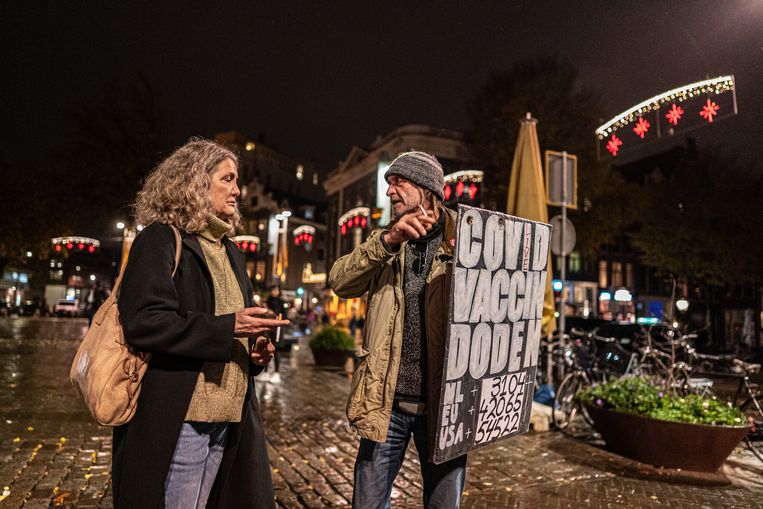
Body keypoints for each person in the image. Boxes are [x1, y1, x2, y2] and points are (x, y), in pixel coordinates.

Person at [114, 139, 289, 509]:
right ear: (195, 182)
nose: (237, 190)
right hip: (182, 419)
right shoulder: (161, 239)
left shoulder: (231, 251)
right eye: (227, 179)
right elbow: (145, 322)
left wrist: (256, 348)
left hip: (229, 417)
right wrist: (228, 328)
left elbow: (238, 323)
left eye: (237, 180)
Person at [329, 151, 466, 508]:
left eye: (398, 183)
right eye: (389, 184)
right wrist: (387, 242)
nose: (389, 192)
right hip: (385, 404)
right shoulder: (384, 243)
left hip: (444, 407)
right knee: (368, 503)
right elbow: (340, 282)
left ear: (426, 189)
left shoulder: (467, 240)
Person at [264, 285, 287, 379]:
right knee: (266, 348)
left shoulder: (281, 302)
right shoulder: (267, 301)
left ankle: (276, 372)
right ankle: (265, 371)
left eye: (276, 290)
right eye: (273, 290)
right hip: (268, 328)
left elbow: (284, 316)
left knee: (276, 350)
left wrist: (274, 314)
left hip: (277, 329)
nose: (274, 291)